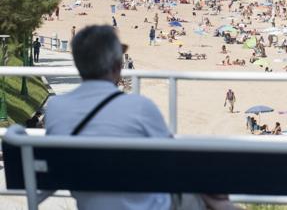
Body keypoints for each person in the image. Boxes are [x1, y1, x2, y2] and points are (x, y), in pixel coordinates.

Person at [45, 25, 237, 210]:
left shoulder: (55, 108)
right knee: (210, 200)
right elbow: (175, 160)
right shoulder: (139, 106)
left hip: (90, 204)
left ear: (78, 63)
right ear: (118, 65)